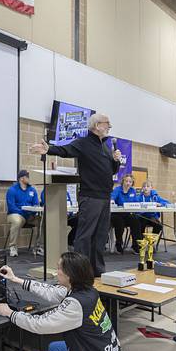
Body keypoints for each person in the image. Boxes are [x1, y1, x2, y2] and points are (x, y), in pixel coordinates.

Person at [30, 113, 121, 275]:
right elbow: (66, 150)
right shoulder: (84, 143)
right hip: (90, 196)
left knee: (100, 237)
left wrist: (115, 161)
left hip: (105, 196)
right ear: (97, 125)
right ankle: (81, 272)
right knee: (85, 237)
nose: (109, 127)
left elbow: (111, 171)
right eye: (107, 124)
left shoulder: (106, 146)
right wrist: (49, 149)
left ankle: (97, 270)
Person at [5, 170, 42, 257]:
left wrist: (35, 209)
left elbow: (36, 203)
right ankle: (13, 247)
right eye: (28, 177)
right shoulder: (12, 190)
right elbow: (11, 207)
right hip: (15, 214)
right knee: (17, 221)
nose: (30, 179)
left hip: (30, 215)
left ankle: (38, 247)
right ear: (22, 178)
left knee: (42, 221)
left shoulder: (32, 189)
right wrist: (23, 211)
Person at [110, 174, 141, 254]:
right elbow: (112, 197)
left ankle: (135, 246)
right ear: (123, 181)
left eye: (130, 182)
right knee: (119, 222)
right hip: (117, 214)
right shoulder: (117, 189)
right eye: (126, 181)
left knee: (136, 221)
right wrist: (112, 201)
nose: (128, 183)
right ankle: (118, 244)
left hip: (128, 214)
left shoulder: (132, 191)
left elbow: (136, 202)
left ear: (132, 183)